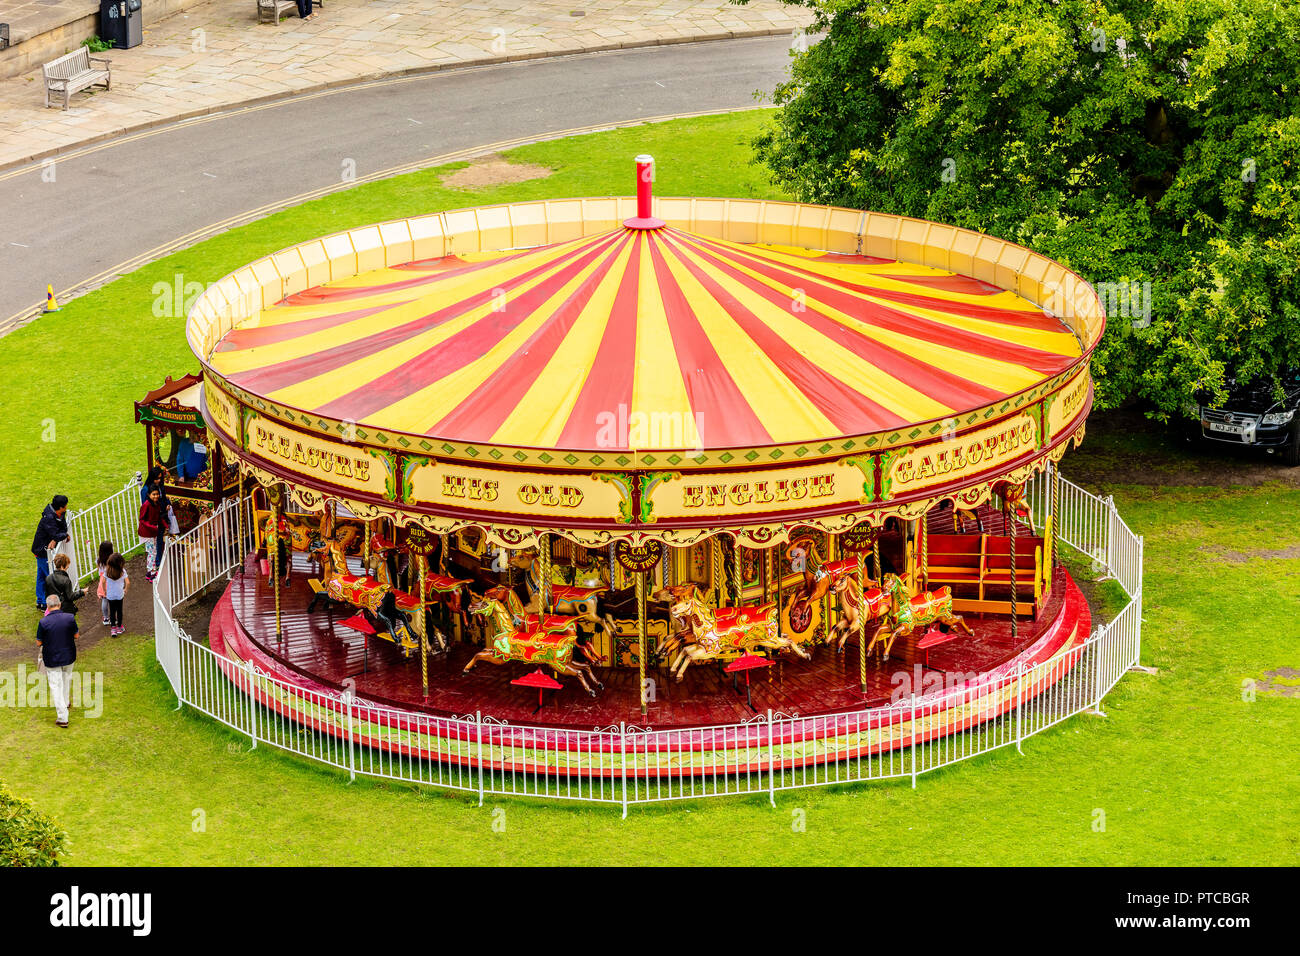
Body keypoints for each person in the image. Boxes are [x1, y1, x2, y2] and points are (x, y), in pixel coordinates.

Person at [36, 603, 79, 727]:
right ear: (59, 604)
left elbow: (39, 642)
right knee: (66, 679)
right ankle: (65, 702)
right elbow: (76, 635)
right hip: (69, 656)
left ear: (48, 607)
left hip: (52, 658)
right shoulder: (70, 618)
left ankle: (62, 717)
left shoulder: (43, 622)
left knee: (56, 686)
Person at [31, 494, 70, 611]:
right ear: (61, 507)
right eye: (66, 506)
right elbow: (57, 533)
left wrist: (57, 537)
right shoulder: (49, 517)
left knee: (42, 576)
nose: (67, 508)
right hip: (41, 550)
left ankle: (41, 601)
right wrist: (63, 535)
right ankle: (46, 603)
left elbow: (62, 529)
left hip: (42, 548)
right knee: (49, 576)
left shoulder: (59, 513)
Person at [139, 486, 166, 581]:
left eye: (157, 494)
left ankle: (150, 572)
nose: (156, 496)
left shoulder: (156, 504)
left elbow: (158, 517)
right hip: (147, 532)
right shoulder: (146, 505)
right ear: (148, 495)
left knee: (153, 551)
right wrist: (153, 527)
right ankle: (152, 573)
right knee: (152, 552)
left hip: (153, 531)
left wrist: (165, 525)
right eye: (153, 494)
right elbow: (142, 520)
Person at [103, 552, 130, 637]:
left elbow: (103, 582)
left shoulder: (107, 571)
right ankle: (119, 627)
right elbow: (128, 582)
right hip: (119, 594)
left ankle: (113, 629)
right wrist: (125, 589)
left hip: (110, 595)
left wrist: (105, 591)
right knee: (119, 611)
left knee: (112, 611)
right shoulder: (122, 571)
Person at [96, 540, 114, 626]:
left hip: (102, 582)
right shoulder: (112, 560)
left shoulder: (98, 560)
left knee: (104, 600)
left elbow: (99, 571)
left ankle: (106, 618)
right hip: (111, 581)